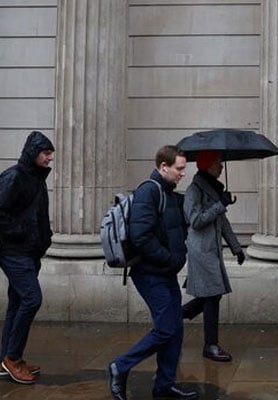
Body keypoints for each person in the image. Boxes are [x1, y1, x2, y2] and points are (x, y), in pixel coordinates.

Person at [107, 145, 198, 400]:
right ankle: (120, 366)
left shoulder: (169, 194)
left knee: (175, 329)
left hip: (164, 273)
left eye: (184, 168)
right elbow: (140, 236)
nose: (183, 174)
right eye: (179, 168)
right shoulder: (150, 191)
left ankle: (164, 386)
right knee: (166, 329)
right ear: (163, 167)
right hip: (150, 273)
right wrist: (169, 259)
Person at [0, 131, 54, 385]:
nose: (50, 158)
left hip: (30, 252)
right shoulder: (15, 177)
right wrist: (23, 233)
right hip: (13, 251)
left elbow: (37, 214)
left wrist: (45, 237)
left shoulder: (37, 179)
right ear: (33, 153)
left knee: (17, 302)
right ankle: (12, 358)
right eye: (46, 153)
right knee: (32, 299)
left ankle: (7, 359)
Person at [181, 150, 245, 362]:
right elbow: (196, 221)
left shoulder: (213, 189)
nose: (221, 167)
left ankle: (179, 315)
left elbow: (222, 222)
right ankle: (211, 345)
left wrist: (236, 247)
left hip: (212, 250)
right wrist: (220, 205)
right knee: (212, 295)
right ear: (207, 165)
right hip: (201, 251)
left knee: (211, 295)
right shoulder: (194, 191)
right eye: (218, 163)